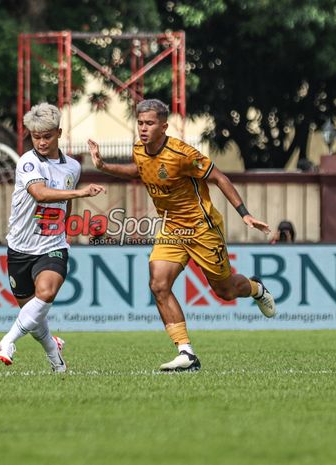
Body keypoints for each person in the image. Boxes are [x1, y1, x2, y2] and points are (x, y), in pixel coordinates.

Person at [88, 99, 276, 373]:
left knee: (224, 291)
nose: (143, 128)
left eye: (149, 123)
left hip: (202, 228)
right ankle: (186, 352)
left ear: (163, 126)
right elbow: (139, 170)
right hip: (171, 228)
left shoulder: (182, 154)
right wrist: (104, 165)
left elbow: (219, 177)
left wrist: (244, 213)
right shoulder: (140, 149)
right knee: (158, 285)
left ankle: (256, 289)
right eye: (140, 123)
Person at [0, 102, 105, 372]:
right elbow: (41, 194)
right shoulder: (28, 162)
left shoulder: (73, 168)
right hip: (20, 247)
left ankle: (7, 342)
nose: (41, 142)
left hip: (53, 245)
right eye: (36, 136)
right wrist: (81, 194)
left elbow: (64, 206)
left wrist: (63, 230)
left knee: (45, 294)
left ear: (59, 133)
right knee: (33, 316)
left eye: (47, 136)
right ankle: (55, 356)